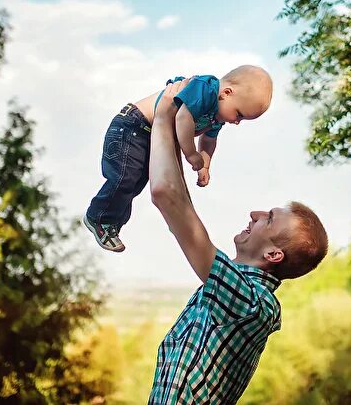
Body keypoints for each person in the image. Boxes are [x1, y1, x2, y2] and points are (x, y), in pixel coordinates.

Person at [147, 79, 329, 404]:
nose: (255, 214)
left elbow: (167, 197)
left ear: (273, 254)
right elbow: (181, 208)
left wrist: (162, 117)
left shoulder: (252, 303)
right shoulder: (235, 293)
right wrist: (178, 135)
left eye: (268, 218)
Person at [83, 65, 273, 252]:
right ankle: (99, 217)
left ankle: (111, 223)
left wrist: (205, 166)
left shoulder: (217, 116)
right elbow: (183, 118)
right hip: (132, 126)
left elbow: (209, 140)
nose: (237, 122)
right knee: (125, 178)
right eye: (239, 114)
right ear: (227, 93)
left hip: (148, 135)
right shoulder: (205, 89)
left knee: (136, 183)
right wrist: (190, 153)